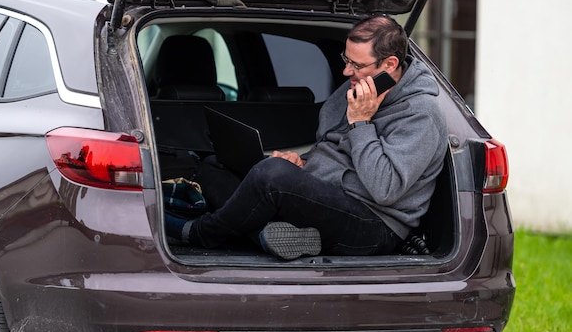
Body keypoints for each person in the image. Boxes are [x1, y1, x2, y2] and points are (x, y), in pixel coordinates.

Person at [165, 14, 448, 260]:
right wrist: (302, 161)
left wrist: (361, 122)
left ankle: (200, 233)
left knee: (271, 175)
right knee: (215, 165)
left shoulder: (420, 114)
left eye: (357, 65)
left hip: (373, 224)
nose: (346, 71)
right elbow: (331, 148)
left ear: (389, 64)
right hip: (327, 197)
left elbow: (385, 189)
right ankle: (267, 234)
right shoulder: (356, 86)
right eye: (346, 60)